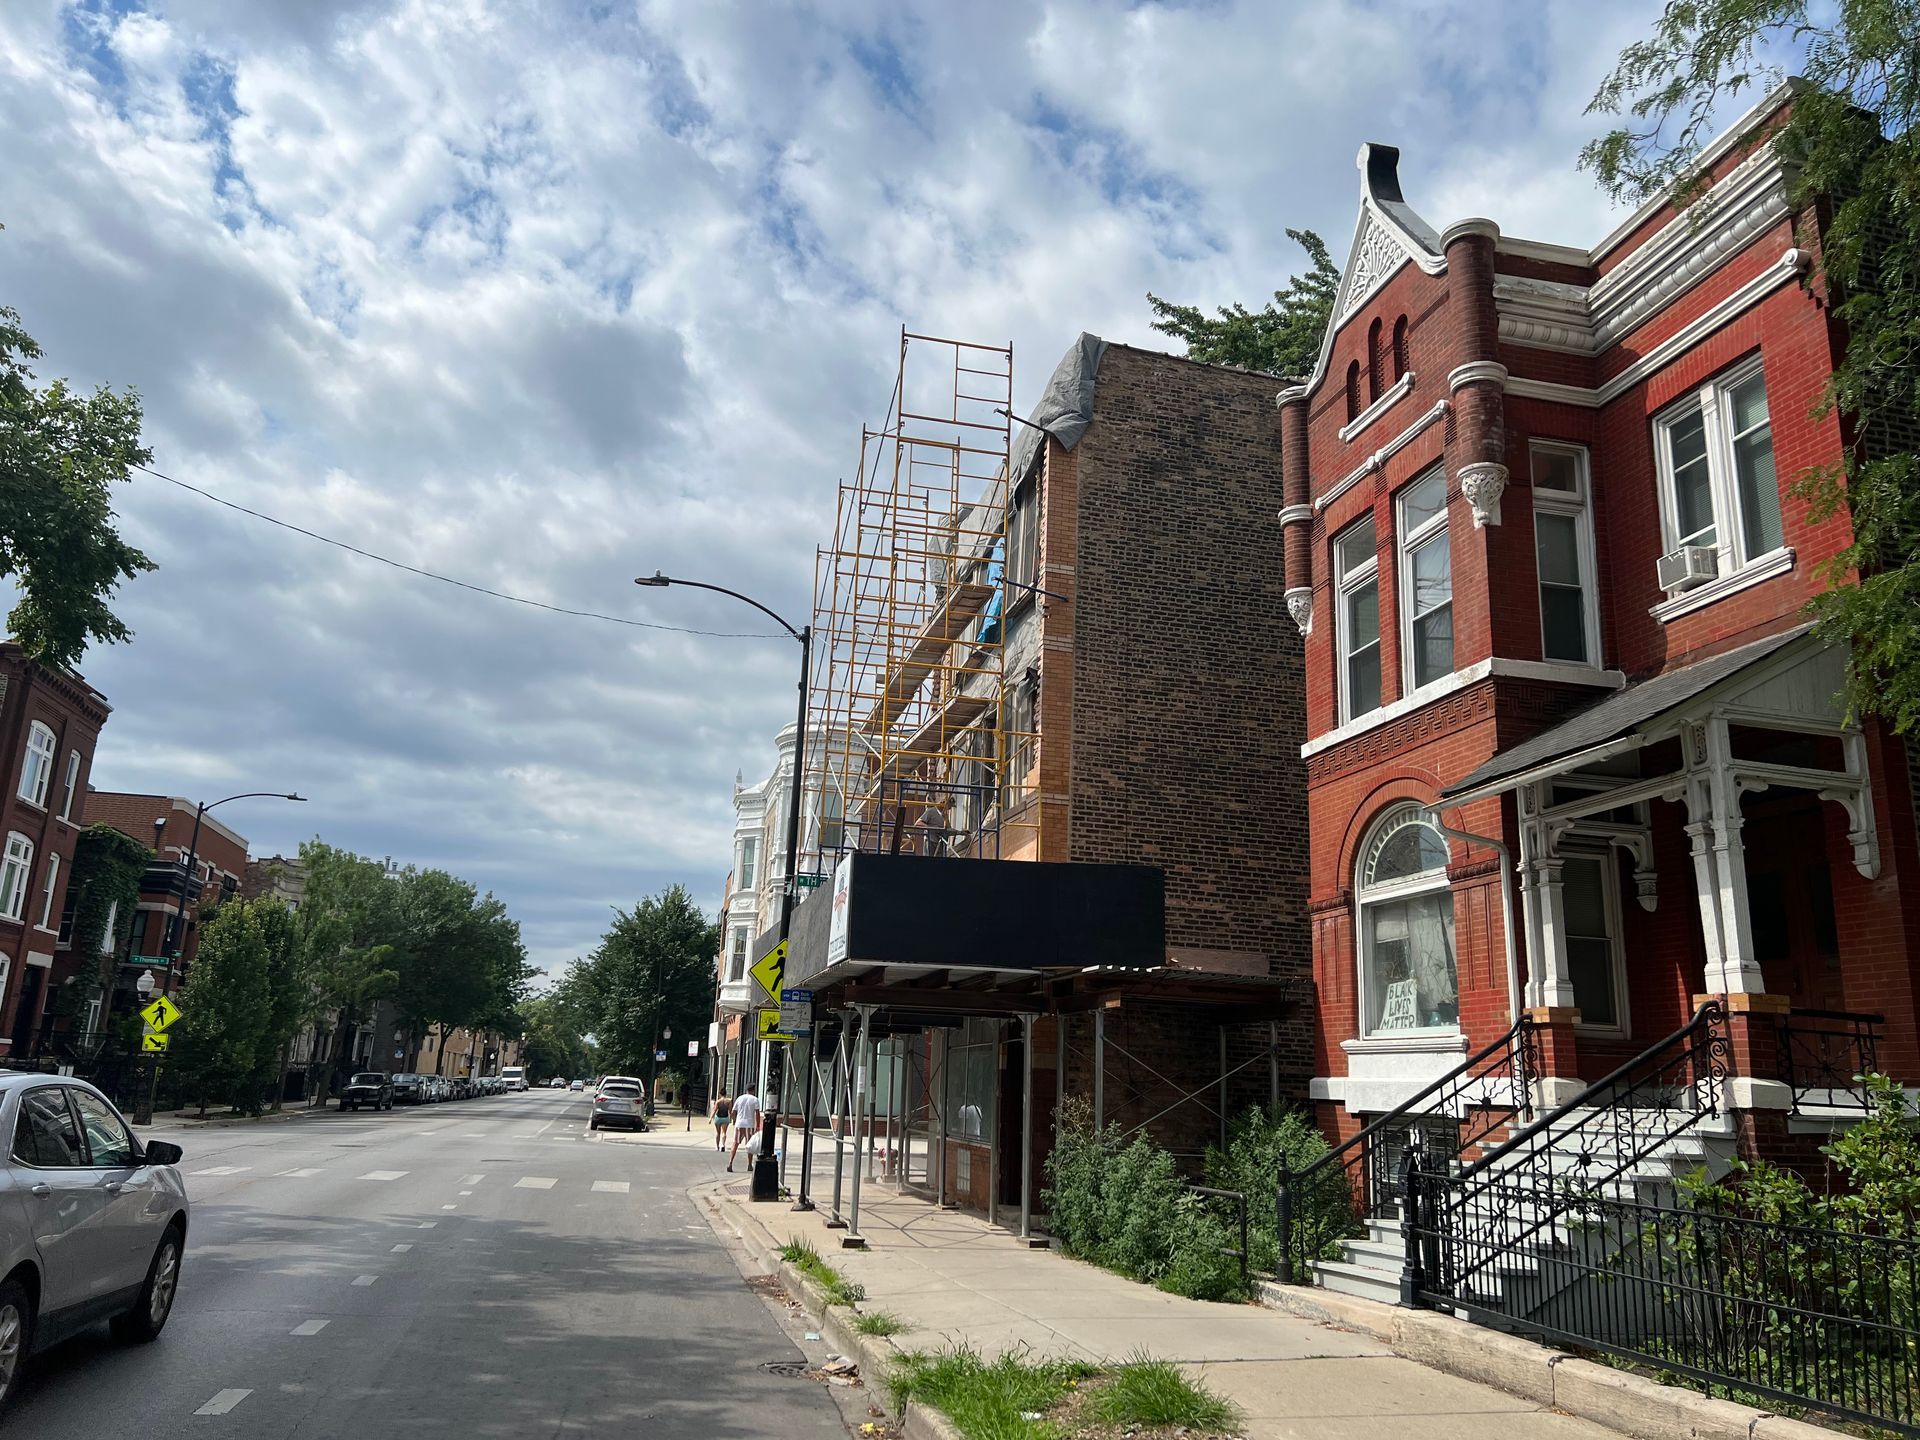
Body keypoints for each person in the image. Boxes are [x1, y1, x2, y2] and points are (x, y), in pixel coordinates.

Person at [726, 1085, 762, 1172]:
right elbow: (757, 1113)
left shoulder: (739, 1098)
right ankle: (749, 1164)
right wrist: (757, 1126)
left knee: (735, 1143)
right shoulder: (755, 1099)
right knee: (749, 1145)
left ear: (746, 1090)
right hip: (749, 1124)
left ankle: (730, 1162)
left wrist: (734, 1121)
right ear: (753, 1090)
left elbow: (733, 1112)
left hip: (739, 1123)